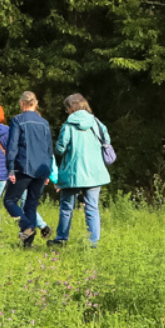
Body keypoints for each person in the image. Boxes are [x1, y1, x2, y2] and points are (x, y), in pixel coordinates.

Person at [51, 94, 115, 247]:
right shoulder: (97, 123)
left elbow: (60, 149)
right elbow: (107, 142)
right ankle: (93, 243)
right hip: (95, 173)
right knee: (92, 207)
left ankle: (61, 239)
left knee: (66, 206)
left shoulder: (68, 125)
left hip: (73, 173)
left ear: (70, 108)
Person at [9, 92, 55, 245]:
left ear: (22, 103)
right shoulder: (44, 123)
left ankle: (27, 226)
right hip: (42, 170)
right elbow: (49, 149)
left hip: (24, 168)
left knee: (10, 201)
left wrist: (10, 167)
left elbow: (12, 147)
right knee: (31, 204)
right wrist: (48, 171)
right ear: (35, 104)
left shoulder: (18, 120)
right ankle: (27, 244)